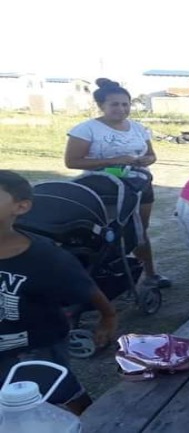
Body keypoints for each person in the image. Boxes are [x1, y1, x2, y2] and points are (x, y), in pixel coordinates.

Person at [0, 170, 117, 415]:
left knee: (58, 394)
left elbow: (87, 289)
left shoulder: (46, 257)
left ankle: (89, 422)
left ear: (21, 207)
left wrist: (108, 318)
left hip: (36, 347)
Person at [65, 78, 170, 288]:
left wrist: (145, 160)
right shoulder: (86, 129)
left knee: (140, 230)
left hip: (139, 185)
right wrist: (114, 160)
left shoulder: (139, 128)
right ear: (101, 106)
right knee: (109, 231)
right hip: (103, 188)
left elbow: (151, 155)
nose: (121, 109)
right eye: (114, 104)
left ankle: (149, 274)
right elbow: (72, 162)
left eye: (125, 104)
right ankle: (105, 274)